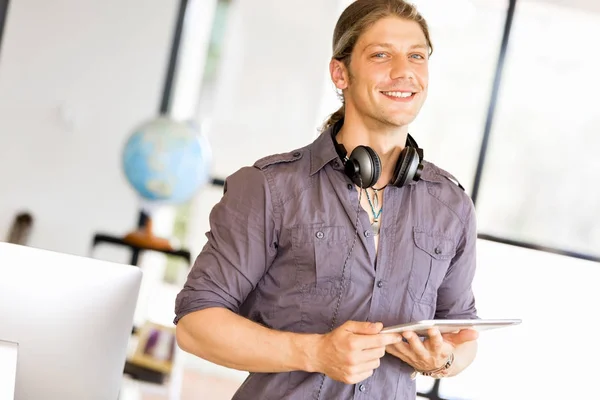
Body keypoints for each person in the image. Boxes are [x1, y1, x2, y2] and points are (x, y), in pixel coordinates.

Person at [174, 0, 479, 398]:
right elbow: (195, 326)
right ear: (341, 72)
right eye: (381, 55)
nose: (404, 71)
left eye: (416, 56)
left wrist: (443, 361)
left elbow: (463, 332)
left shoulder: (452, 207)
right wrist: (316, 352)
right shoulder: (270, 188)